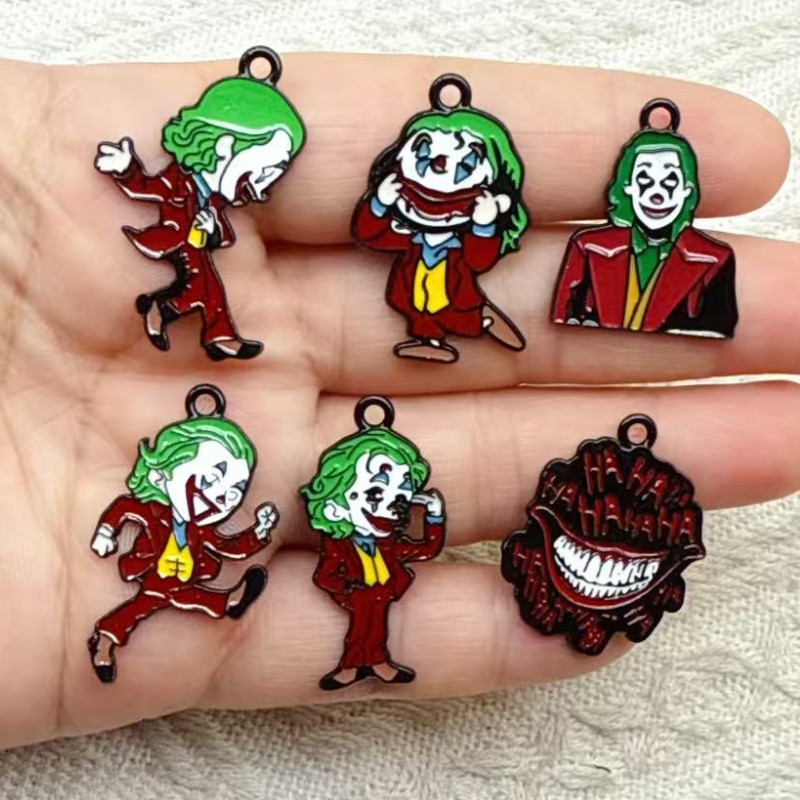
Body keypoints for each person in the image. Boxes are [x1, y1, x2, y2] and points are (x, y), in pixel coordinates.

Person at [0, 53, 794, 750]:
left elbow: (412, 544)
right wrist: (382, 205)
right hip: (305, 291)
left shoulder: (535, 230)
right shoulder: (374, 206)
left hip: (433, 294)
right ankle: (306, 335)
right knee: (224, 304)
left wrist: (486, 222)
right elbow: (370, 233)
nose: (442, 169)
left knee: (417, 299)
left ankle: (456, 327)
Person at [95, 73, 306, 359]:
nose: (264, 185)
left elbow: (218, 236)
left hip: (196, 246)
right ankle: (201, 328)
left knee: (203, 290)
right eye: (265, 169)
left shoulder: (218, 199)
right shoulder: (178, 180)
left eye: (275, 173)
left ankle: (172, 313)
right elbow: (146, 187)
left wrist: (212, 230)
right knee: (208, 289)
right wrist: (126, 169)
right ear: (224, 146)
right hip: (176, 242)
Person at [88, 413, 278, 683]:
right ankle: (105, 639)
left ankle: (105, 639)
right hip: (153, 572)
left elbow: (230, 547)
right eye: (209, 480)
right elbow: (123, 508)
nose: (220, 497)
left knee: (165, 599)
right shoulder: (153, 511)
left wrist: (259, 531)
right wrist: (106, 533)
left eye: (234, 491)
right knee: (154, 599)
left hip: (185, 576)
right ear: (160, 476)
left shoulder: (203, 530)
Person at [551, 124, 738, 337]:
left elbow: (717, 330)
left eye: (670, 181)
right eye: (644, 179)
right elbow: (564, 317)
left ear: (687, 190)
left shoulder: (715, 259)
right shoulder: (588, 248)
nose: (657, 195)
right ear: (628, 186)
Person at [301, 425, 445, 689]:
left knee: (377, 629)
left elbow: (427, 549)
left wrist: (434, 516)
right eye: (376, 494)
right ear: (335, 508)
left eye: (401, 497)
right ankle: (349, 667)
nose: (390, 506)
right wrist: (348, 591)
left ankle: (379, 663)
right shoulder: (338, 544)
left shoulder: (390, 544)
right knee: (359, 631)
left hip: (384, 591)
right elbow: (323, 575)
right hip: (359, 594)